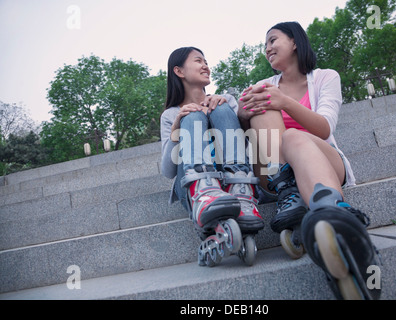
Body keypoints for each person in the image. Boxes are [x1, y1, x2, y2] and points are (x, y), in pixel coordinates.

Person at [238, 22, 381, 299]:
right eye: (265, 44)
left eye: (272, 40)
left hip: (322, 160)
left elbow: (325, 127)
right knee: (263, 104)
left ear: (294, 42)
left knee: (294, 137)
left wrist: (285, 102)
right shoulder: (264, 87)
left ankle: (337, 226)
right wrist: (241, 114)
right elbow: (249, 138)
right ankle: (301, 199)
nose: (267, 48)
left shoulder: (326, 77)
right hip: (273, 173)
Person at [160, 47, 264, 267]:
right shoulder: (170, 115)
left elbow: (245, 145)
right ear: (179, 71)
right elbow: (168, 171)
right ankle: (203, 194)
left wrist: (226, 111)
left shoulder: (225, 101)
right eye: (198, 61)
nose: (206, 65)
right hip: (191, 184)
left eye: (206, 61)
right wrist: (177, 127)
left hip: (231, 180)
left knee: (222, 109)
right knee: (192, 115)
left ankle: (242, 193)